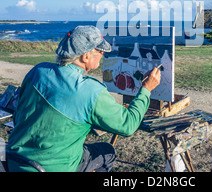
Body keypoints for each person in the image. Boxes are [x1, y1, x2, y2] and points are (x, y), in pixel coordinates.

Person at [6, 25, 161, 172]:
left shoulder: (38, 71)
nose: (103, 54)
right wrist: (146, 89)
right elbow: (128, 125)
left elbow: (20, 113)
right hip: (55, 167)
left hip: (16, 160)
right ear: (86, 56)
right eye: (100, 51)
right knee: (107, 152)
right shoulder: (90, 91)